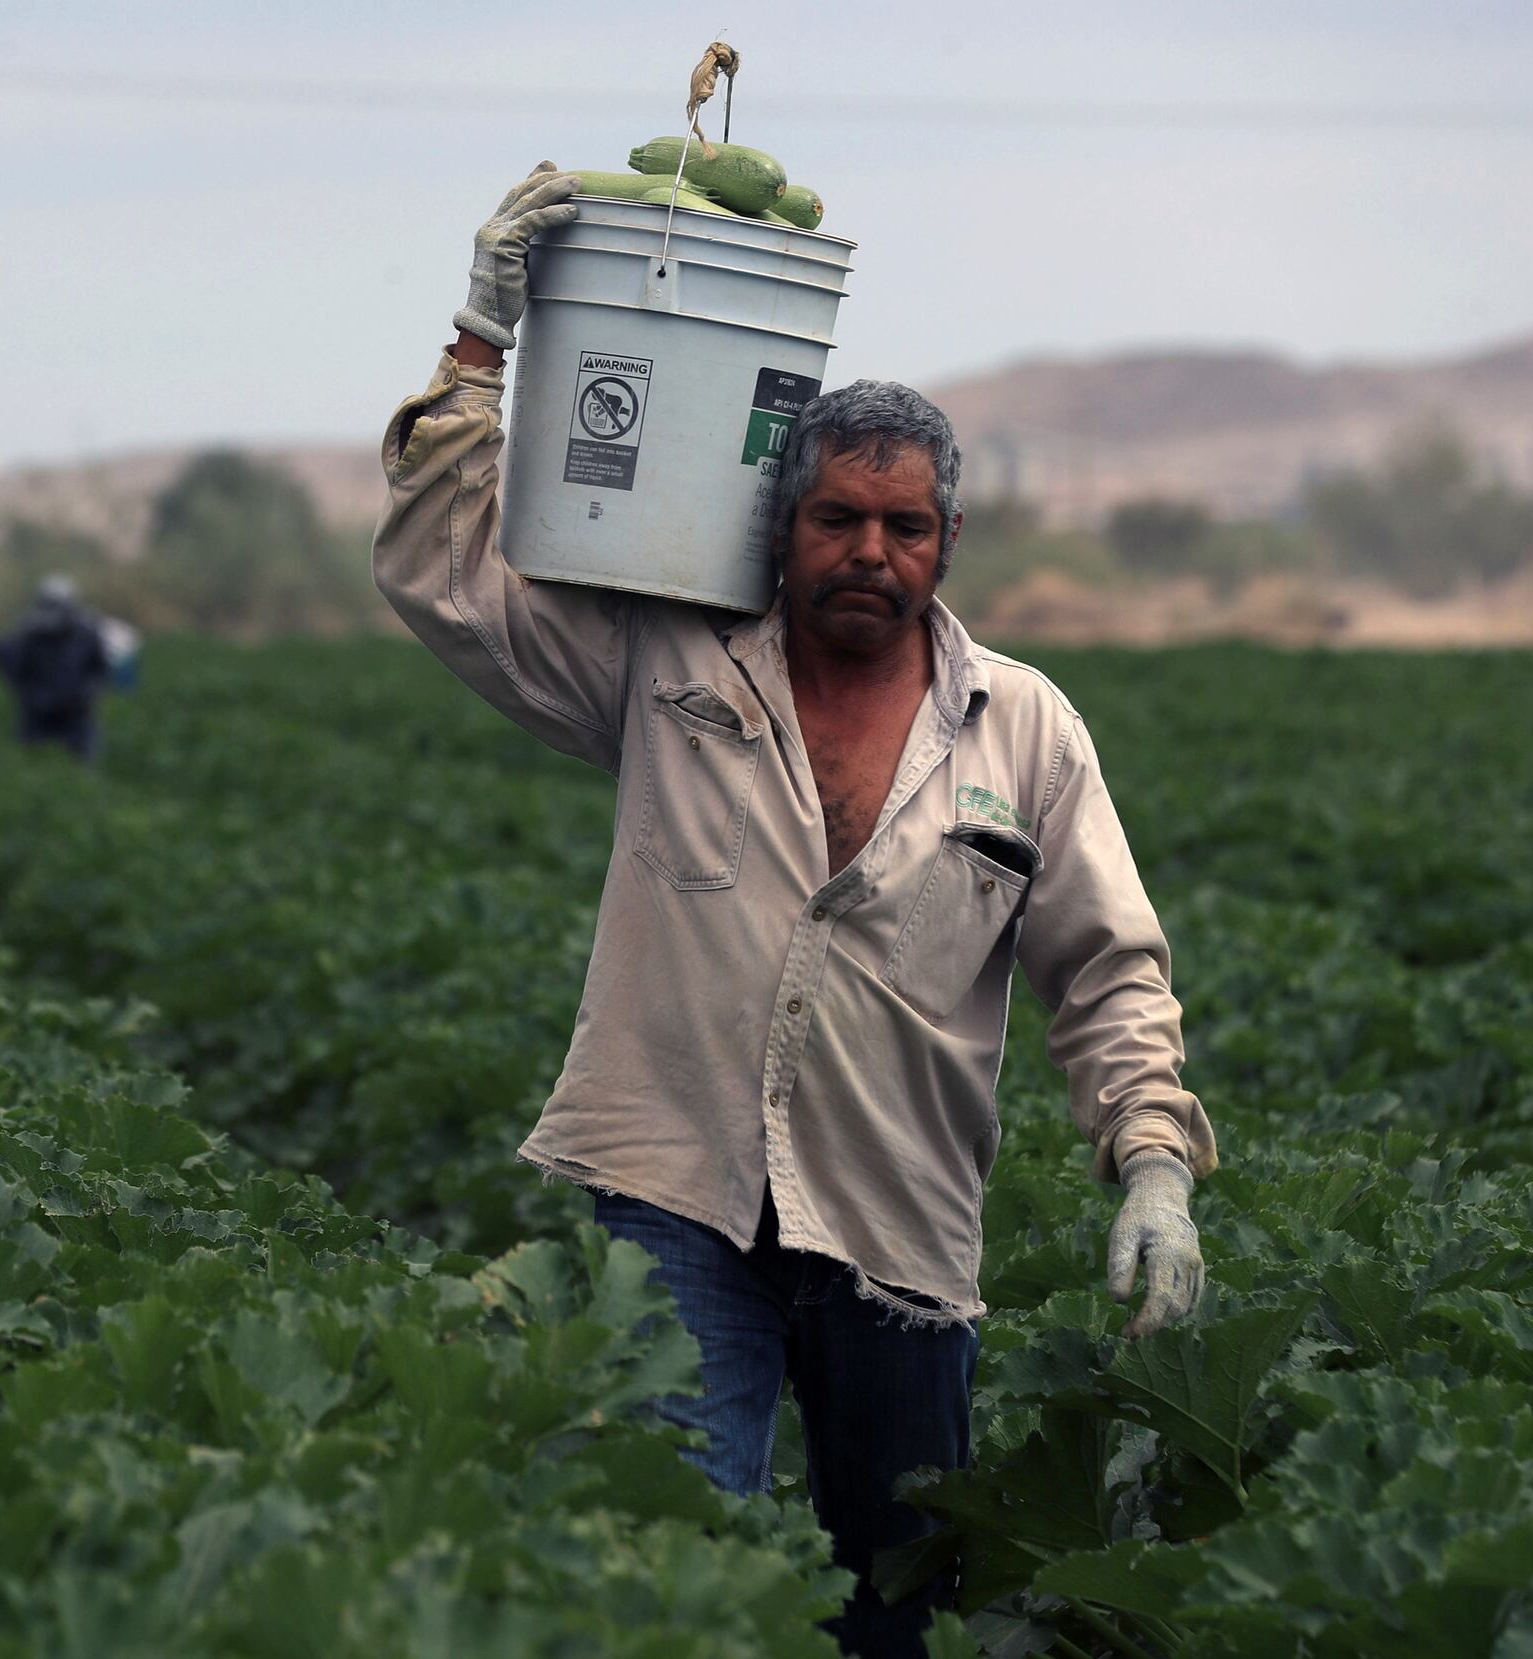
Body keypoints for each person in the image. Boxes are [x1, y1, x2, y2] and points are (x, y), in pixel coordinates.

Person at [372, 164, 1216, 1658]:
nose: (868, 554)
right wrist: (479, 344)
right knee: (669, 1574)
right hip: (675, 1181)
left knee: (893, 1601)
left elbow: (1108, 965)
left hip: (897, 1223)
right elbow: (451, 576)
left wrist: (1152, 1158)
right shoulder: (670, 664)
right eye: (836, 518)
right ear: (781, 525)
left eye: (903, 526)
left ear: (947, 543)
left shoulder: (1023, 729)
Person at [0, 574, 112, 759]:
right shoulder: (28, 634)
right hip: (38, 714)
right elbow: (5, 660)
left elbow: (100, 669)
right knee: (29, 762)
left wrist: (86, 693)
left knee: (82, 761)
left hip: (76, 715)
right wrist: (31, 694)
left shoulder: (87, 634)